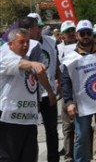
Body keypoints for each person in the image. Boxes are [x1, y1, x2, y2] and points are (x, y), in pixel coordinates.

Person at [0, 28, 56, 162]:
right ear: (10, 44)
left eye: (27, 42)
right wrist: (32, 63)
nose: (25, 45)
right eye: (21, 42)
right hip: (9, 119)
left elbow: (39, 74)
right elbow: (20, 65)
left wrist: (49, 91)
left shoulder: (27, 60)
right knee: (9, 158)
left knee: (29, 157)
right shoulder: (5, 58)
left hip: (29, 119)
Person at [62, 19, 96, 162]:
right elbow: (66, 81)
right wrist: (69, 101)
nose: (85, 36)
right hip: (82, 104)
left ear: (93, 35)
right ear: (77, 35)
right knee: (81, 137)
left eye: (88, 33)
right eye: (82, 33)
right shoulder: (70, 57)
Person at [20, 15, 62, 162]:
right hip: (31, 94)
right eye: (35, 27)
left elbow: (55, 62)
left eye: (39, 26)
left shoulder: (51, 41)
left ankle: (53, 159)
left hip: (48, 93)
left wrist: (59, 81)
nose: (38, 29)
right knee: (31, 131)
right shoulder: (23, 45)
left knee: (52, 130)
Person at [58, 20, 77, 162]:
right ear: (62, 35)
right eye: (67, 31)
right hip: (66, 91)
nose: (71, 33)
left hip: (83, 90)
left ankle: (85, 154)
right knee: (68, 126)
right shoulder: (57, 48)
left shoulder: (82, 46)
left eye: (72, 30)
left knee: (85, 126)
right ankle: (68, 156)